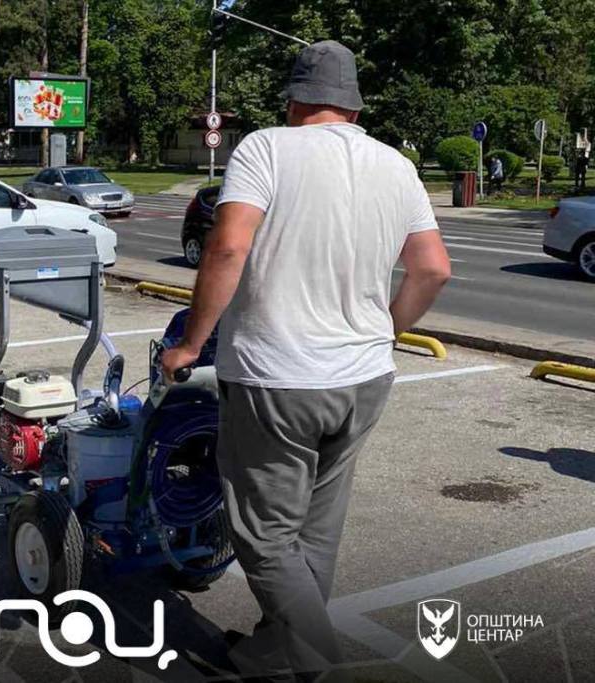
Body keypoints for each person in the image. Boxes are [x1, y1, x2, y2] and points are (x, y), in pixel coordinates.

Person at [162, 40, 451, 681]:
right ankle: (270, 651)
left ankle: (319, 662)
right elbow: (433, 269)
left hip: (279, 378)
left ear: (294, 100)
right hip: (365, 379)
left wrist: (188, 345)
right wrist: (383, 331)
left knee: (264, 538)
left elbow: (227, 249)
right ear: (354, 107)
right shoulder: (397, 165)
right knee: (315, 533)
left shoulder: (265, 148)